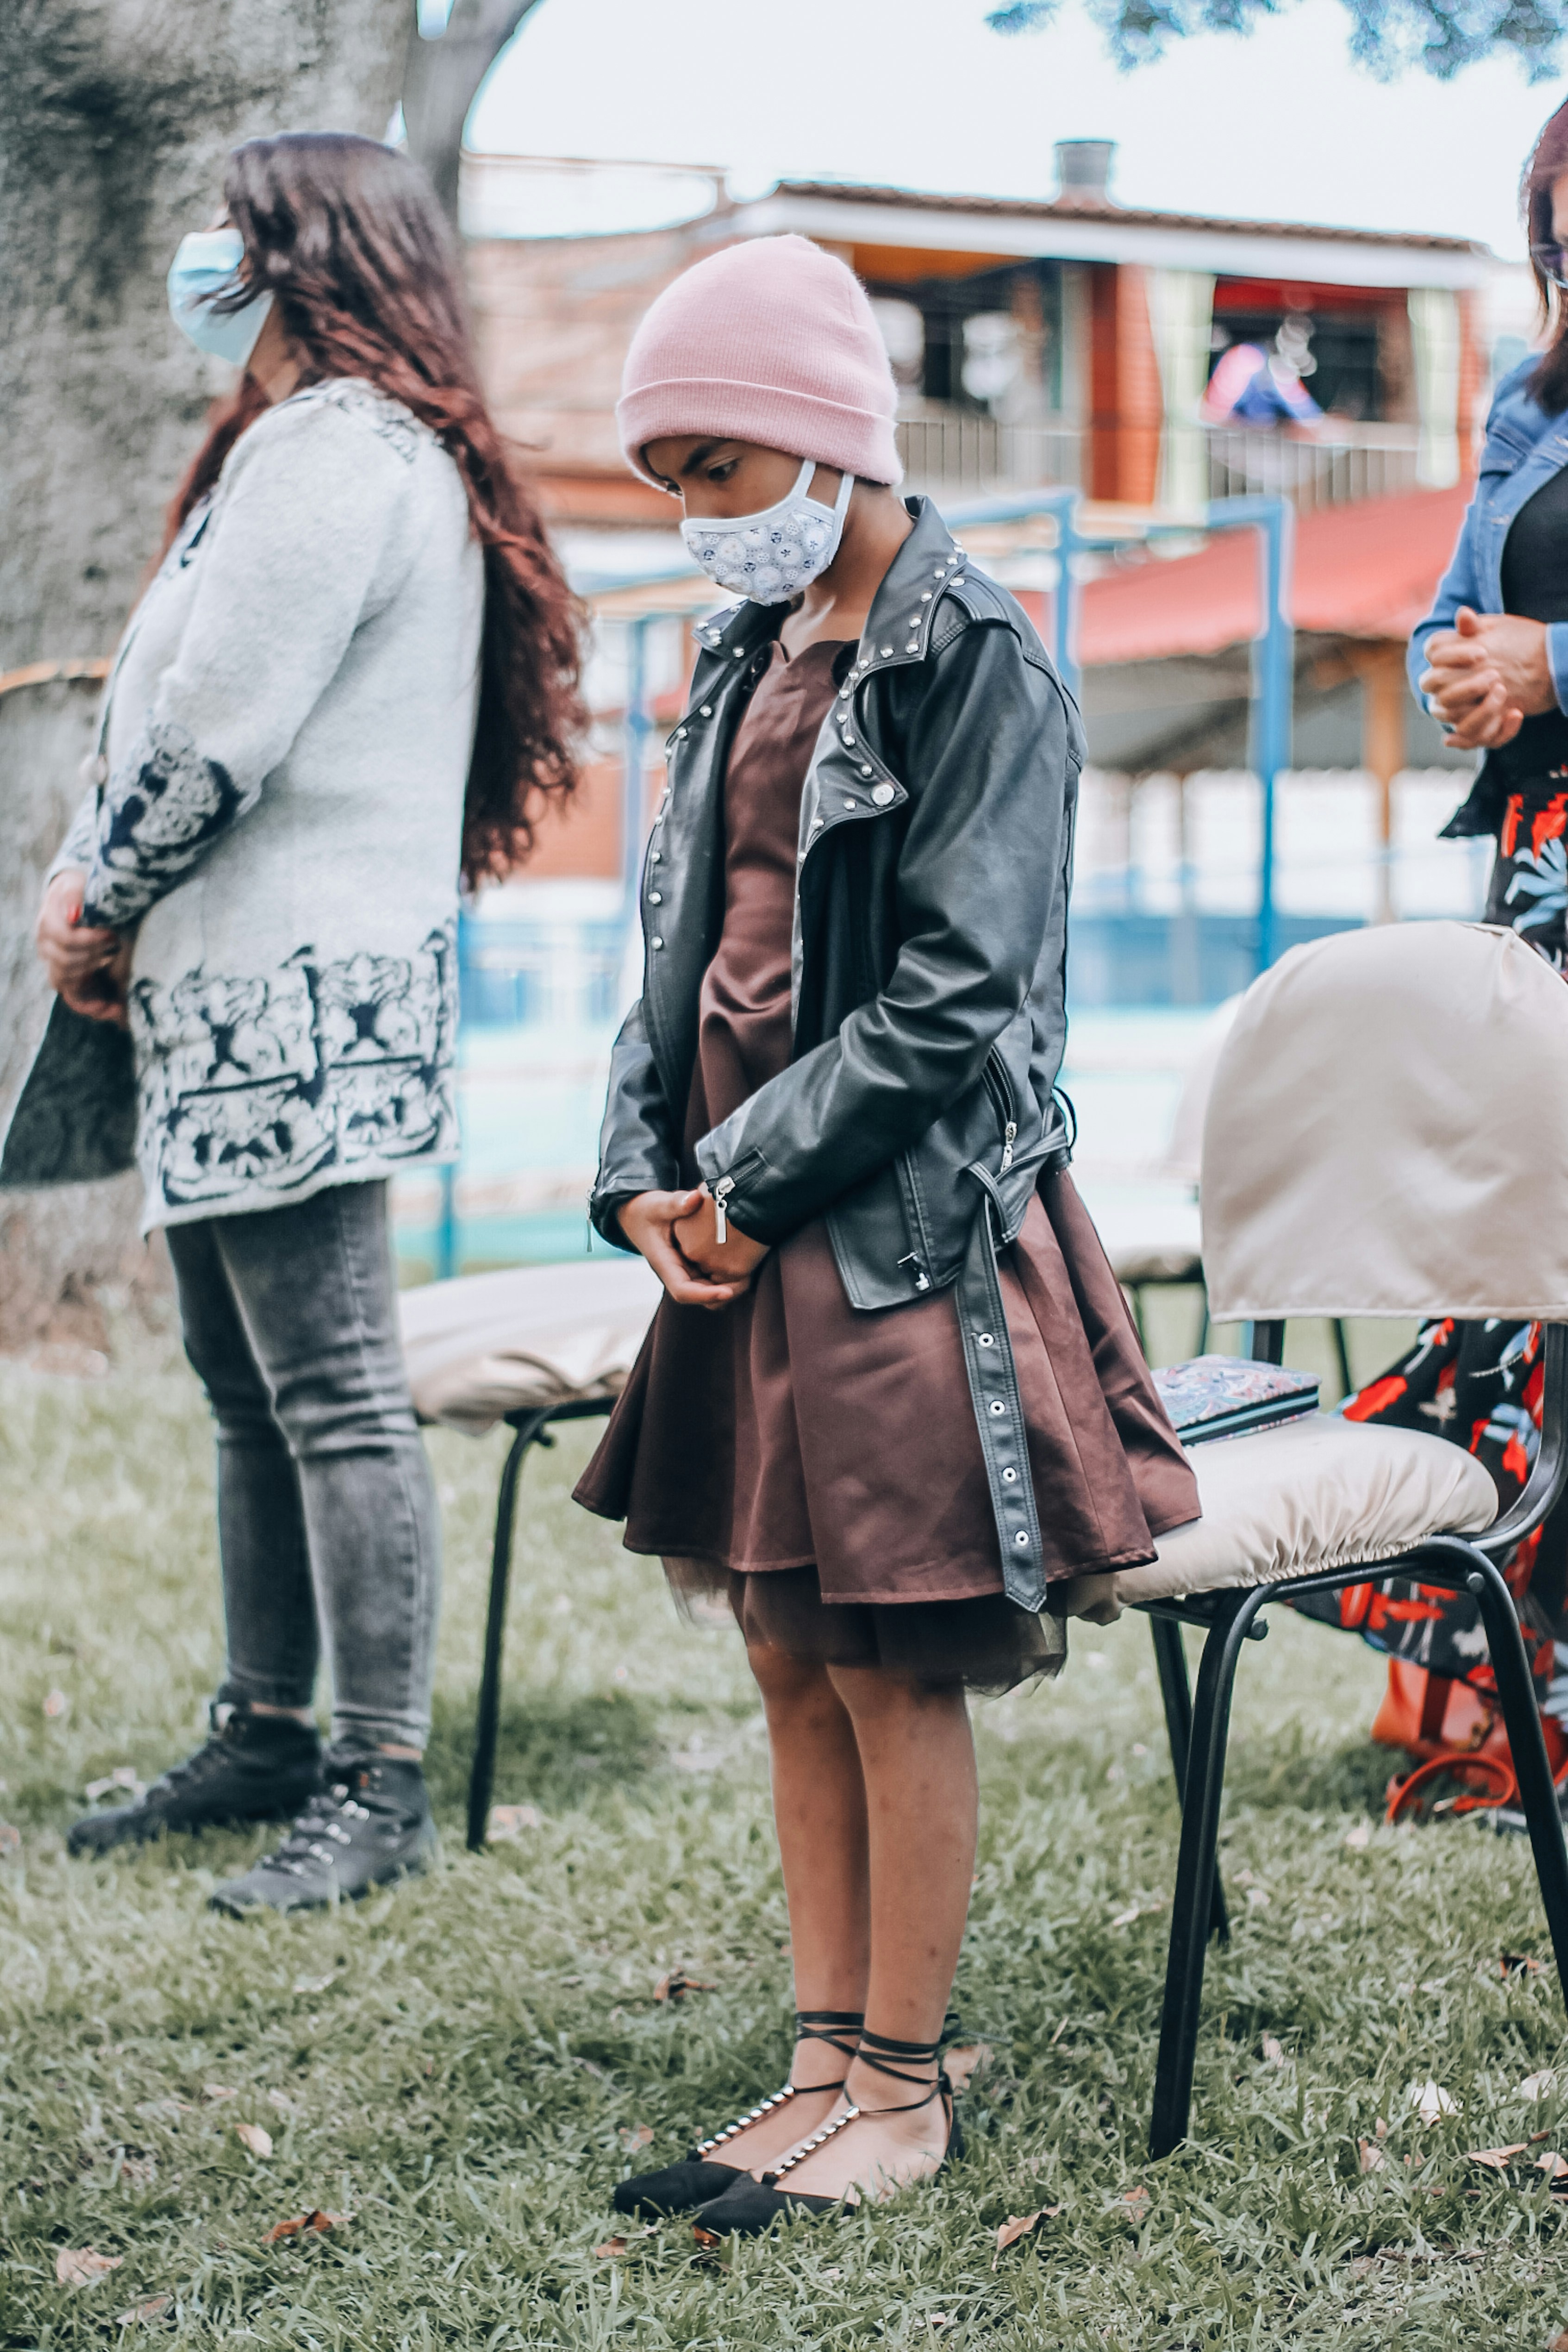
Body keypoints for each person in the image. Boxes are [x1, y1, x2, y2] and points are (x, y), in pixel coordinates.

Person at [573, 235, 1199, 2235]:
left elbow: (962, 1000)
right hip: (745, 1227)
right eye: (664, 471)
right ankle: (821, 2056)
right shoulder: (742, 652)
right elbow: (678, 936)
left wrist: (746, 1183)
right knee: (776, 1640)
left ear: (831, 436)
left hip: (900, 1237)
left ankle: (908, 2086)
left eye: (720, 465)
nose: (694, 514)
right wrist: (634, 1173)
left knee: (883, 1656)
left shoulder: (973, 652)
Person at [13, 131, 584, 1913]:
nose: (205, 259)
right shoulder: (330, 448)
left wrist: (92, 895)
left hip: (296, 1003)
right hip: (247, 998)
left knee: (331, 1393)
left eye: (232, 228)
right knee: (248, 1391)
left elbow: (213, 732)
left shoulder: (336, 451)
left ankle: (376, 1778)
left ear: (304, 252)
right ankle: (266, 1728)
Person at [1292, 97, 1568, 1804]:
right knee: (1524, 1278)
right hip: (1538, 890)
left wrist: (1562, 668)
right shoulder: (1526, 396)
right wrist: (1454, 670)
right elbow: (1454, 605)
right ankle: (1512, 1696)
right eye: (1557, 224)